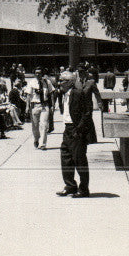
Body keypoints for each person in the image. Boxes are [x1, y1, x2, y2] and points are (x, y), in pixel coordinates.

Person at [57, 70, 96, 198]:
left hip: (76, 130)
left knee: (79, 160)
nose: (59, 83)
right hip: (67, 129)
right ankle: (70, 186)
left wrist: (78, 130)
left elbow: (87, 112)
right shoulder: (64, 94)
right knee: (66, 157)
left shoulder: (78, 93)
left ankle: (84, 189)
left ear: (70, 82)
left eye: (62, 81)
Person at [26, 68, 53, 150]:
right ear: (34, 74)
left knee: (44, 125)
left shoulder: (47, 82)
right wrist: (27, 107)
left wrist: (52, 105)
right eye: (36, 73)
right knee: (35, 126)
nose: (38, 74)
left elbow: (51, 94)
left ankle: (42, 144)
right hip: (35, 106)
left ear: (42, 74)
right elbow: (28, 96)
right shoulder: (31, 83)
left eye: (40, 73)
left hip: (44, 106)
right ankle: (36, 139)